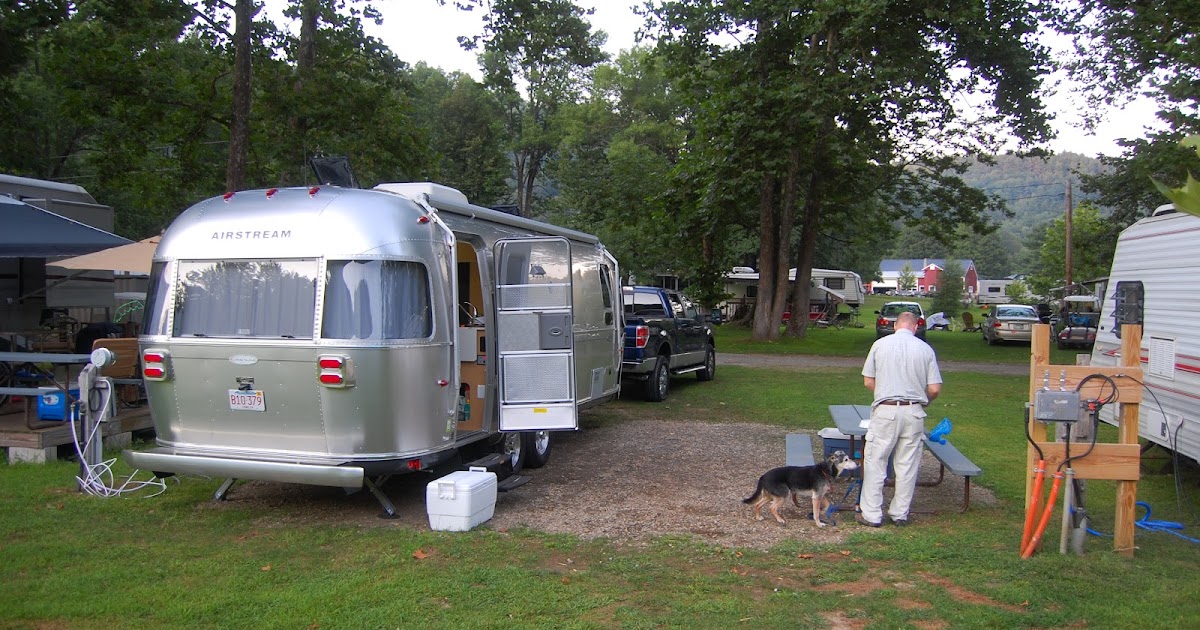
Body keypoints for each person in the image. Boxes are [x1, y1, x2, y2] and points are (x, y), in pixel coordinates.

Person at [856, 311, 943, 527]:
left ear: (896, 326)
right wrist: (923, 401)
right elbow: (934, 388)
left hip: (885, 409)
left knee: (876, 460)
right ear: (915, 327)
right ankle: (900, 513)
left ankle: (872, 514)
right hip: (913, 411)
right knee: (907, 464)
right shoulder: (925, 349)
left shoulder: (879, 345)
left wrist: (883, 394)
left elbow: (868, 381)